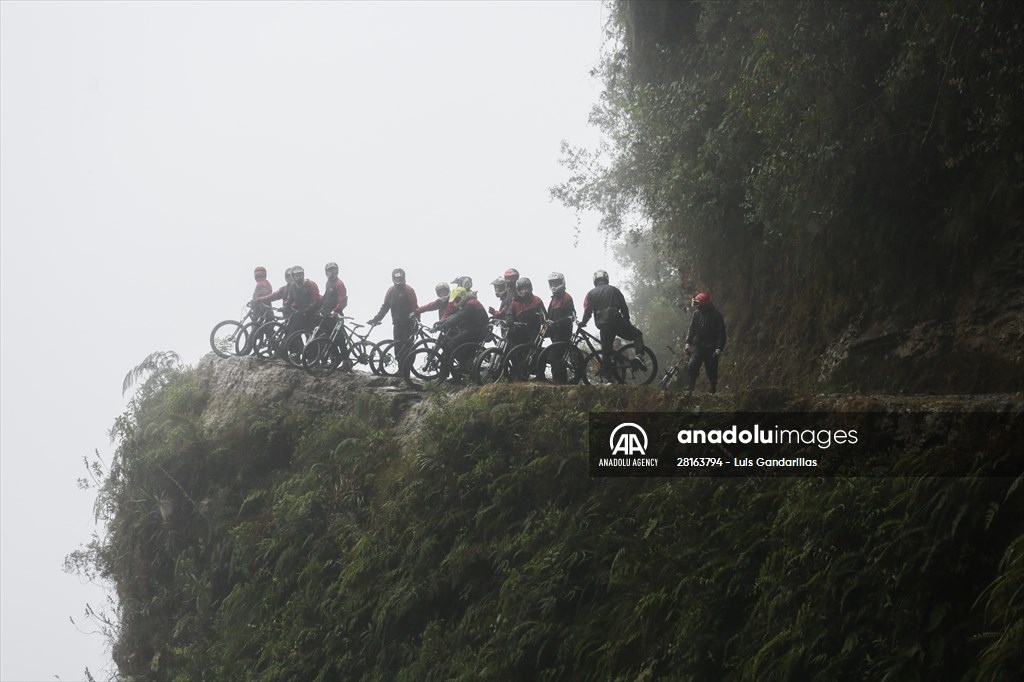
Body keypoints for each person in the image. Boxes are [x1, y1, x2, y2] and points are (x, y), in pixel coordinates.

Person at [579, 269, 644, 382]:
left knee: (606, 352)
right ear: (606, 279)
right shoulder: (614, 290)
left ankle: (608, 378)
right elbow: (624, 307)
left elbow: (588, 311)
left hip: (604, 327)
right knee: (637, 335)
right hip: (617, 322)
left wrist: (583, 323)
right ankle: (639, 356)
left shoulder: (590, 294)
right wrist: (627, 322)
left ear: (595, 280)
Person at [435, 286, 489, 381]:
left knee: (454, 342)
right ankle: (461, 368)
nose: (456, 302)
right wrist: (443, 322)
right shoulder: (466, 302)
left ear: (463, 296)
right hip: (472, 329)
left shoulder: (471, 304)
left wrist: (444, 323)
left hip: (478, 331)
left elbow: (458, 316)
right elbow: (456, 316)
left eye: (457, 299)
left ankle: (462, 367)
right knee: (456, 342)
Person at [685, 292, 726, 393]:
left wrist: (719, 348)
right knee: (692, 366)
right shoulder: (696, 314)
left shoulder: (716, 315)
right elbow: (692, 329)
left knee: (712, 371)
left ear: (704, 304)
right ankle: (690, 389)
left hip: (711, 349)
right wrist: (688, 343)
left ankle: (713, 390)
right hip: (699, 346)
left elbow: (721, 333)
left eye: (698, 304)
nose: (696, 306)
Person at [369, 268, 418, 342]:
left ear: (403, 278)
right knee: (397, 348)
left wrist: (417, 321)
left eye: (400, 278)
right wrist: (376, 319)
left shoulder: (409, 290)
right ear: (393, 278)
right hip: (397, 324)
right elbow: (385, 307)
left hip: (409, 324)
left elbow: (415, 307)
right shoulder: (391, 290)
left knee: (409, 348)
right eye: (396, 278)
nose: (398, 280)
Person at [545, 272, 576, 382]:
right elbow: (549, 315)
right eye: (552, 283)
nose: (554, 285)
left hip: (563, 332)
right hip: (555, 332)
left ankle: (559, 382)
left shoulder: (566, 298)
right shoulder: (553, 299)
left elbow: (571, 316)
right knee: (556, 357)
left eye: (556, 282)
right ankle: (558, 381)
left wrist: (557, 322)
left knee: (554, 357)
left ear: (562, 283)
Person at [287, 265, 321, 333]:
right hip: (300, 314)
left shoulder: (311, 284)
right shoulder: (292, 286)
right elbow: (290, 299)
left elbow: (316, 301)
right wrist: (285, 307)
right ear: (293, 277)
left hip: (312, 314)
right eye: (296, 275)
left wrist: (306, 310)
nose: (299, 277)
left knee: (312, 334)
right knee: (292, 331)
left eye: (300, 275)